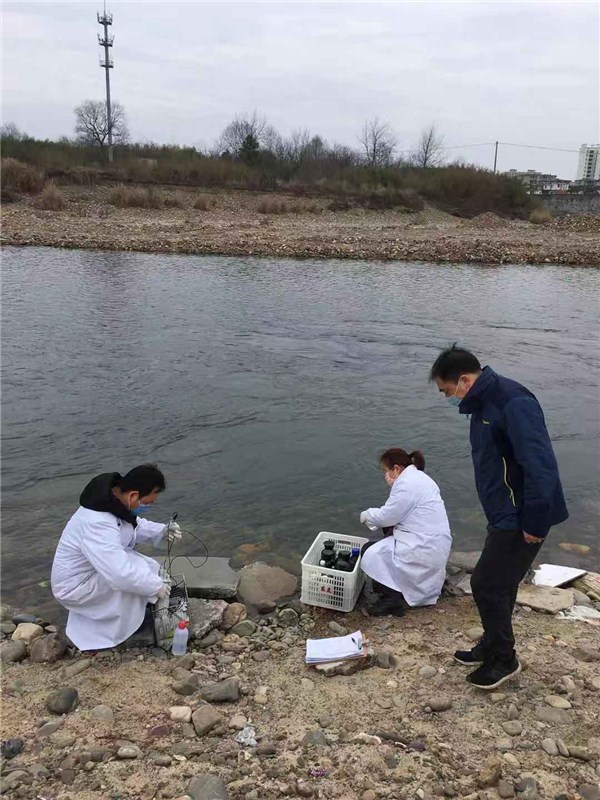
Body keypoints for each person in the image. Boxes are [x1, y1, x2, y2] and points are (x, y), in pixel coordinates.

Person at [430, 345, 568, 690]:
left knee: (486, 584)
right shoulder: (482, 405)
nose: (447, 398)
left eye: (447, 391)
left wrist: (535, 523)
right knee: (500, 583)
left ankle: (504, 658)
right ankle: (493, 645)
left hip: (521, 516)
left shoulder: (512, 402)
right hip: (504, 512)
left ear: (464, 380)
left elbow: (540, 466)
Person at [51, 464, 182, 651]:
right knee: (140, 575)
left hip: (91, 572)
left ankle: (129, 614)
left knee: (148, 568)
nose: (145, 508)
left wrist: (162, 531)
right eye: (147, 503)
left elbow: (134, 526)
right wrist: (155, 586)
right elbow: (120, 574)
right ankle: (111, 632)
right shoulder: (97, 523)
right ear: (133, 495)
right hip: (75, 586)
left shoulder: (114, 501)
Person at [359, 448, 452, 616]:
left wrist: (366, 515)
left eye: (386, 471)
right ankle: (400, 589)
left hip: (423, 547)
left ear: (396, 468)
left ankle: (392, 599)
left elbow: (387, 516)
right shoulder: (421, 478)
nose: (386, 476)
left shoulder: (406, 485)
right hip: (435, 545)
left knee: (369, 551)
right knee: (387, 536)